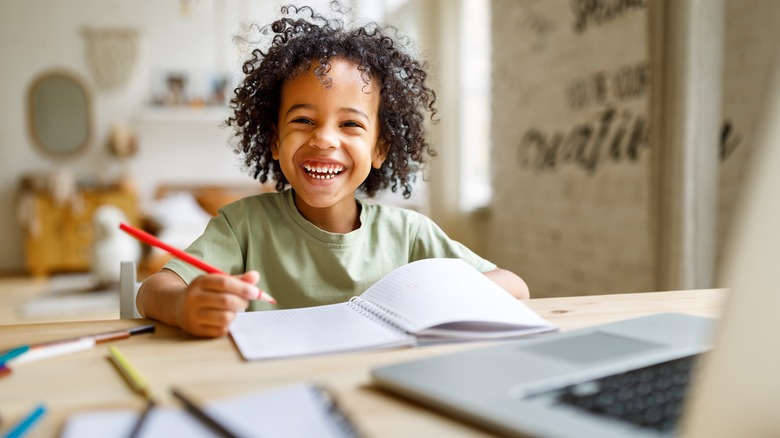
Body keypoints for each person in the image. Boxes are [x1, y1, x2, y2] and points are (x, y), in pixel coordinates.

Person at [136, 3, 529, 338]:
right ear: (274, 141)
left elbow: (515, 288)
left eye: (350, 124)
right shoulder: (243, 226)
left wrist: (433, 295)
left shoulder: (410, 234)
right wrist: (184, 304)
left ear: (379, 149)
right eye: (304, 120)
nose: (324, 139)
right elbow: (153, 290)